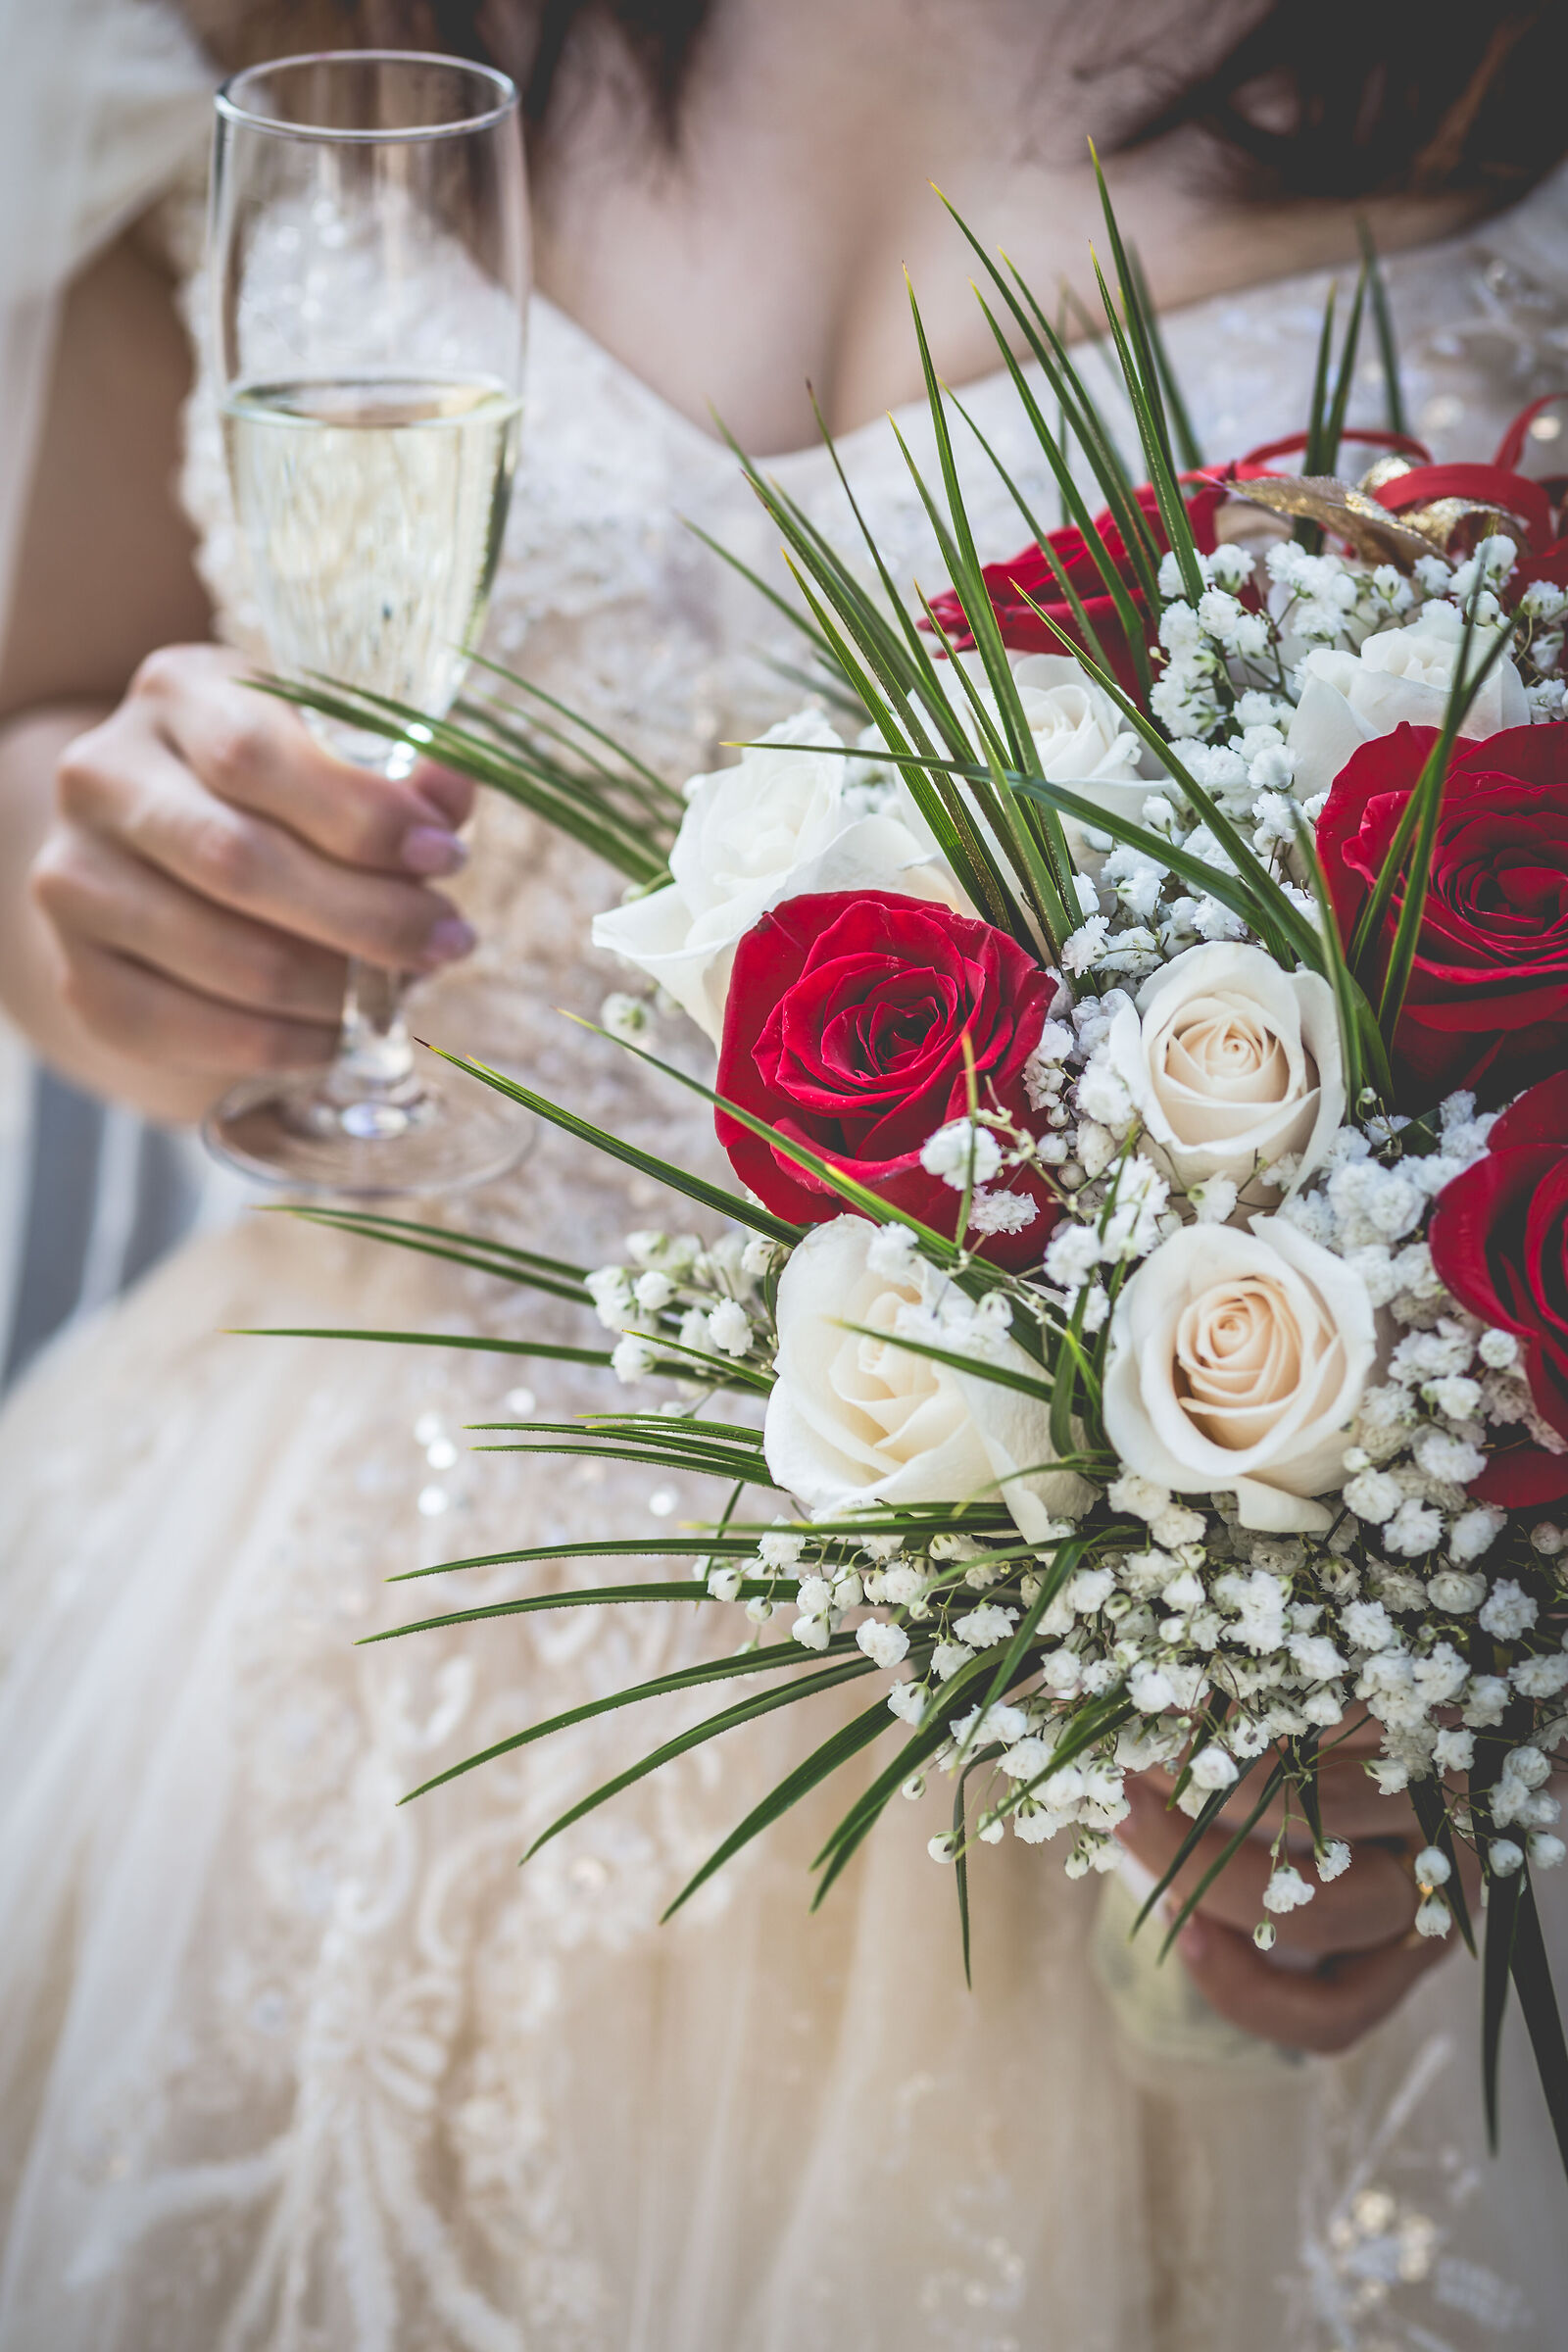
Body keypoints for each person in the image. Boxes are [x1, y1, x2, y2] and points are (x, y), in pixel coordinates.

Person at [0, 2, 1565, 2343]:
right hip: (308, 1612)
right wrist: (99, 904)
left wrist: (1458, 1656)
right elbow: (57, 708)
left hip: (1163, 1730)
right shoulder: (222, 25)